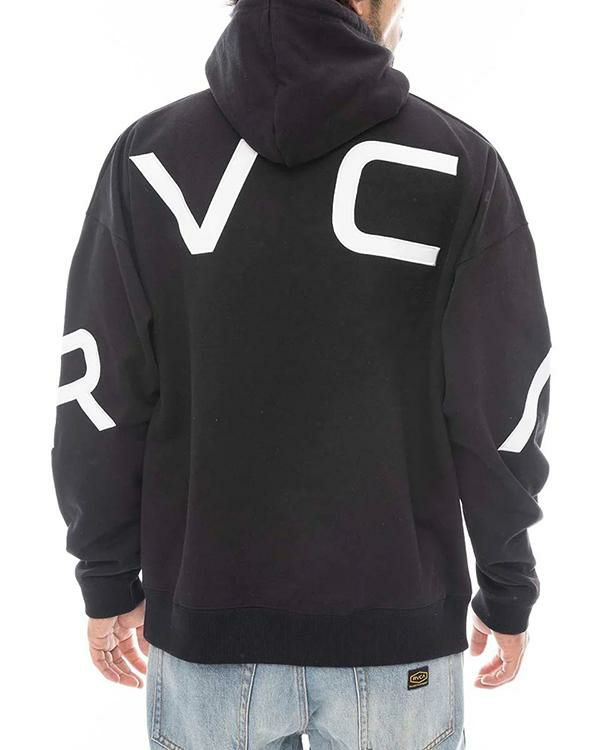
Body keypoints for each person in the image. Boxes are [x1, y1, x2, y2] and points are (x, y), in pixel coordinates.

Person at [50, 0, 551, 747]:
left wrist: (107, 575)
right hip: (399, 637)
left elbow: (100, 390)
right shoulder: (457, 161)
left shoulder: (148, 158)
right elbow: (501, 401)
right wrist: (507, 582)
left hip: (207, 633)